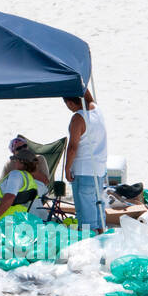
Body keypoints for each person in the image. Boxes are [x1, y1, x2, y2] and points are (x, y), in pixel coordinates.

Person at [64, 91, 106, 235]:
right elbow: (88, 97)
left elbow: (72, 147)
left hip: (84, 171)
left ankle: (92, 248)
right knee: (98, 213)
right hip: (99, 170)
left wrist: (67, 168)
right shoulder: (96, 109)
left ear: (70, 103)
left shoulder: (78, 118)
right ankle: (102, 243)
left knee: (86, 217)